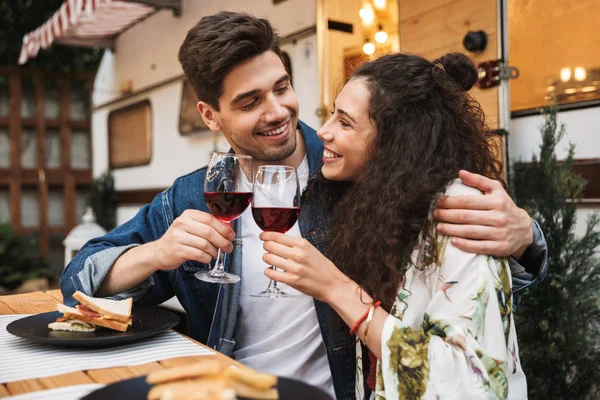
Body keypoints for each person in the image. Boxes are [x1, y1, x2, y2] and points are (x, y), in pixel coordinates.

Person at [60, 12, 545, 400]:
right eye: (250, 102)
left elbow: (467, 287)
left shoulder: (358, 173)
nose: (277, 111)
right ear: (210, 114)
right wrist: (157, 252)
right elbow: (77, 282)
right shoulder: (192, 197)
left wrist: (526, 237)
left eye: (282, 87)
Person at [260, 52, 527, 399]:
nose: (323, 132)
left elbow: (475, 383)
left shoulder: (460, 213)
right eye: (331, 115)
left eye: (344, 122)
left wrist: (336, 288)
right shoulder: (375, 203)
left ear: (396, 142)